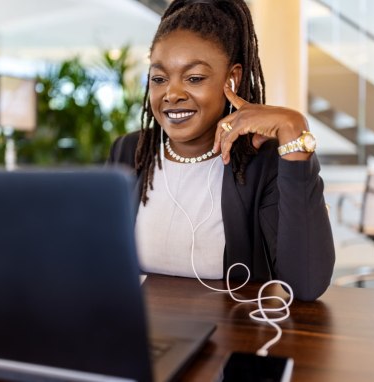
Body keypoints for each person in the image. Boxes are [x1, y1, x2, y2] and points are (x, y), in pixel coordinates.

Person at [107, 0, 335, 301]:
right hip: (138, 337)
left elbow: (305, 284)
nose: (172, 94)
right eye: (159, 78)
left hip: (231, 338)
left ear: (232, 79)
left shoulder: (261, 162)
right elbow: (100, 264)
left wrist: (294, 131)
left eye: (195, 78)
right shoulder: (130, 152)